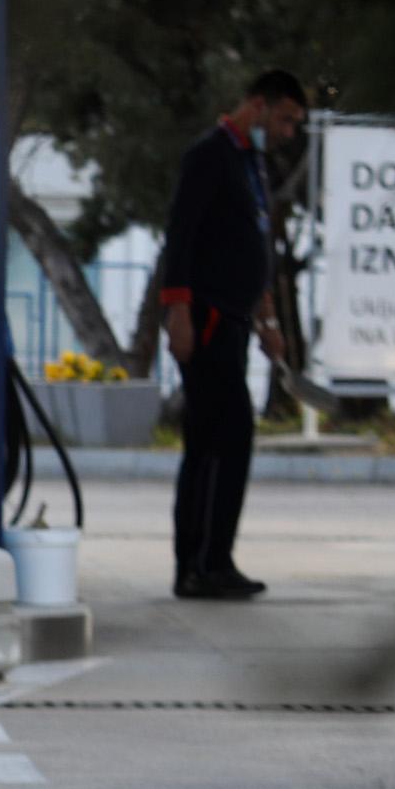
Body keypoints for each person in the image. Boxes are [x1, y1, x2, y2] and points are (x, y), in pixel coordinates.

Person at [151, 68, 311, 598]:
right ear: (258, 105)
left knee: (232, 440)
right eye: (285, 119)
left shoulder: (251, 164)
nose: (289, 131)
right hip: (205, 321)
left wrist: (268, 321)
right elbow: (181, 238)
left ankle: (216, 559)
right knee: (214, 442)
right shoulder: (209, 156)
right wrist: (178, 314)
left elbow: (256, 248)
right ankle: (195, 565)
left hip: (238, 323)